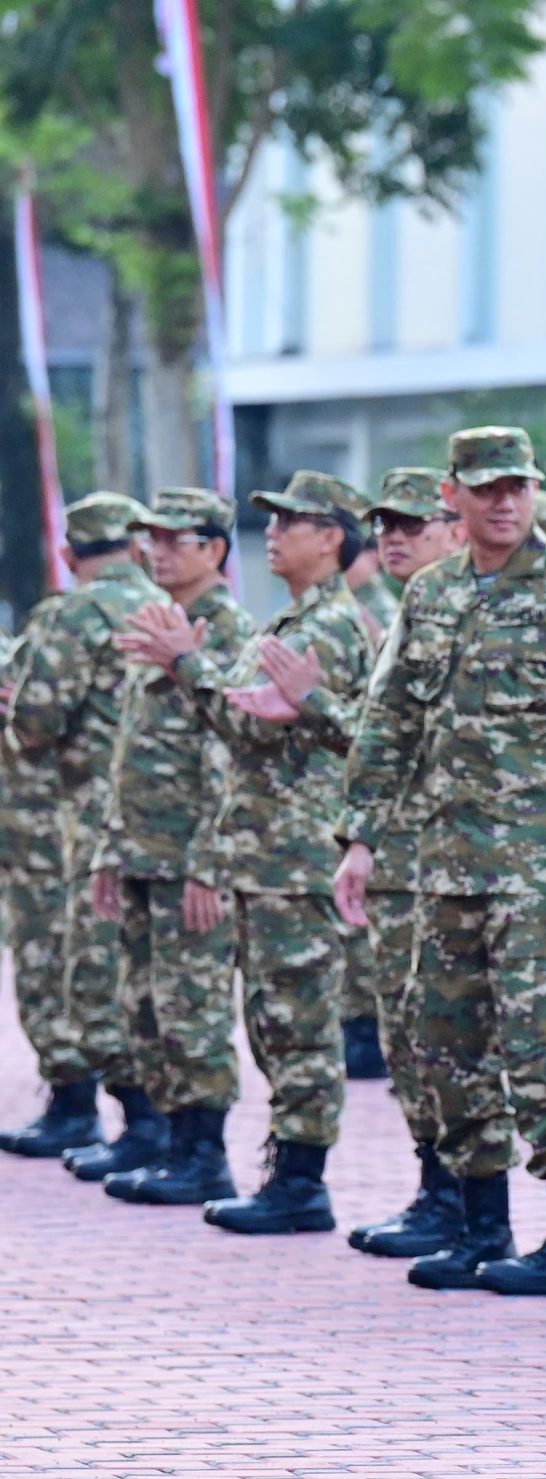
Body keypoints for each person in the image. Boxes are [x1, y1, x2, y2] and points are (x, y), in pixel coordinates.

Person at [338, 426, 546, 1296]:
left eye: (519, 486)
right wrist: (360, 838)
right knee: (449, 1046)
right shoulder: (430, 594)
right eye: (488, 488)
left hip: (540, 874)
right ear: (455, 496)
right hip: (445, 868)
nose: (506, 501)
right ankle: (480, 1226)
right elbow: (390, 721)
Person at [133, 471, 376, 1233]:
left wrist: (188, 665)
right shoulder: (295, 621)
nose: (271, 533)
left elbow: (247, 730)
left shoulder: (325, 627)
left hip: (294, 856)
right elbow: (247, 722)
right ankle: (288, 1171)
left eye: (291, 521)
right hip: (266, 856)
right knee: (273, 1020)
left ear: (332, 536)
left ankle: (301, 1183)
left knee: (296, 1022)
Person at [84, 489, 252, 1207]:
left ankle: (203, 1155)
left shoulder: (227, 631)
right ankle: (166, 1142)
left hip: (192, 859)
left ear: (213, 549)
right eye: (149, 538)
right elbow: (130, 750)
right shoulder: (161, 622)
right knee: (145, 1005)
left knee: (193, 1008)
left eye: (173, 540)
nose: (155, 551)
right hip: (144, 854)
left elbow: (232, 753)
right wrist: (108, 849)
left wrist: (209, 863)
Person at [343, 467, 492, 1259]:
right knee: (407, 1037)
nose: (394, 539)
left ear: (452, 528)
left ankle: (467, 1200)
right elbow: (377, 741)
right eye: (384, 527)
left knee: (452, 1038)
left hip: (456, 865)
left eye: (411, 524)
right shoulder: (404, 613)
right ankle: (437, 1189)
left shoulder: (454, 612)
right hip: (401, 862)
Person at [0, 493, 160, 1163]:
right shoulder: (167, 609)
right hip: (156, 816)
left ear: (70, 555)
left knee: (70, 960)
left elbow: (33, 723)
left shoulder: (72, 614)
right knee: (143, 966)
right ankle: (151, 1119)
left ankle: (89, 1111)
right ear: (141, 547)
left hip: (74, 821)